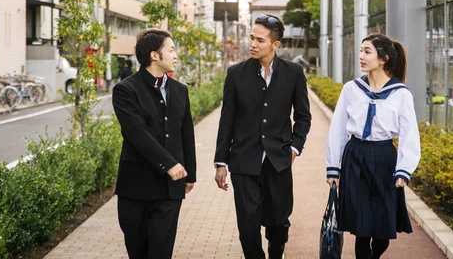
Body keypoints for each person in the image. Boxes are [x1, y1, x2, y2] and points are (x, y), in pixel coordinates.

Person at [214, 13, 312, 259]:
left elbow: (303, 117)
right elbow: (227, 119)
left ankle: (276, 252)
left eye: (260, 40)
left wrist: (294, 148)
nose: (253, 44)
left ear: (275, 45)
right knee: (248, 225)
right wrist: (221, 162)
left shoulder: (293, 73)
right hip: (244, 161)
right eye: (251, 38)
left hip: (279, 161)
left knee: (278, 223)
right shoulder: (236, 74)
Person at [325, 33, 421, 259]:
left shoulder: (401, 94)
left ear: (383, 59)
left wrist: (404, 169)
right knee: (361, 227)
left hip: (384, 158)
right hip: (355, 156)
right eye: (361, 50)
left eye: (367, 52)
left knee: (382, 232)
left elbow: (409, 134)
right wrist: (332, 167)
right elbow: (338, 128)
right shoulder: (351, 89)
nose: (361, 56)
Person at [112, 29, 197, 259]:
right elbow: (137, 133)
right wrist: (169, 164)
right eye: (171, 50)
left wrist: (190, 175)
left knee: (161, 252)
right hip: (136, 188)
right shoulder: (126, 90)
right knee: (138, 252)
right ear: (154, 56)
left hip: (170, 189)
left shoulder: (180, 90)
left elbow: (186, 133)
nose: (175, 55)